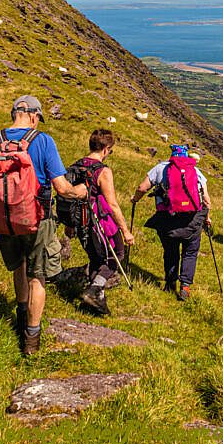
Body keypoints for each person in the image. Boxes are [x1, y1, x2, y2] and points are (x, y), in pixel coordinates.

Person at [0, 95, 86, 355]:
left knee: (19, 267)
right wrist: (83, 192)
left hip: (2, 221)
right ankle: (31, 341)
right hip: (37, 220)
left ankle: (21, 316)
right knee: (38, 277)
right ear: (33, 116)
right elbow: (62, 188)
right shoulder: (43, 141)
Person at [66, 129, 135, 316]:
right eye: (110, 150)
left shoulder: (76, 166)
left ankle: (97, 303)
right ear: (105, 149)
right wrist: (126, 231)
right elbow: (112, 204)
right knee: (116, 255)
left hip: (79, 220)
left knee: (96, 258)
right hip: (99, 220)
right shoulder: (102, 171)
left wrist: (69, 224)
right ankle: (93, 290)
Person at [132, 144, 211, 301]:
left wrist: (135, 199)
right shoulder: (194, 169)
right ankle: (185, 286)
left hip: (167, 219)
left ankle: (170, 283)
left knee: (170, 251)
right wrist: (206, 218)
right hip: (192, 219)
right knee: (190, 252)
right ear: (186, 155)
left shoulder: (161, 168)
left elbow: (142, 187)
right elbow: (206, 199)